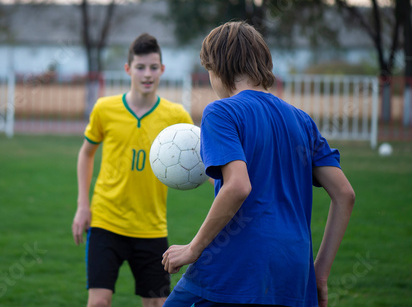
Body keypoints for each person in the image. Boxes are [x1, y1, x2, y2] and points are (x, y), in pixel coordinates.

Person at [161, 21, 355, 307]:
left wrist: (193, 248)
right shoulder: (302, 120)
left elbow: (238, 186)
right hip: (293, 273)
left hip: (232, 269)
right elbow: (345, 195)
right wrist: (320, 274)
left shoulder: (221, 111)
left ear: (218, 67)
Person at [72, 33, 193, 307]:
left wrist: (225, 185)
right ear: (128, 69)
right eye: (140, 67)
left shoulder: (176, 117)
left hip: (151, 226)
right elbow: (86, 153)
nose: (147, 74)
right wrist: (83, 206)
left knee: (157, 304)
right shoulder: (105, 108)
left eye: (153, 67)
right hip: (106, 221)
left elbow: (202, 162)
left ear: (162, 69)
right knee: (98, 303)